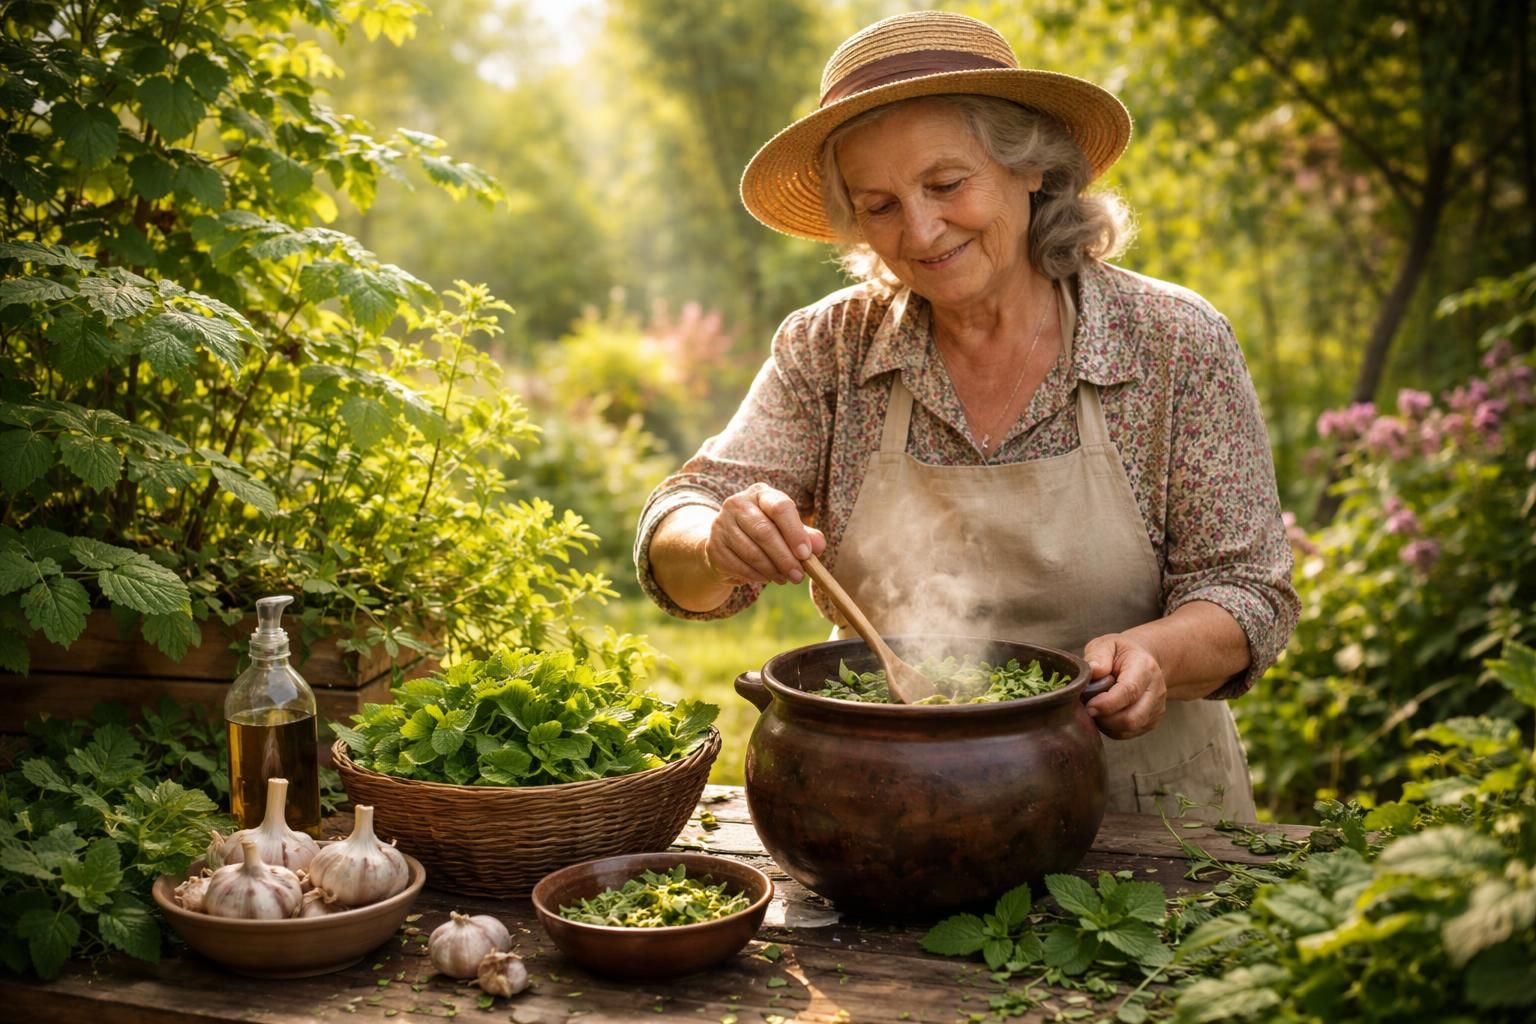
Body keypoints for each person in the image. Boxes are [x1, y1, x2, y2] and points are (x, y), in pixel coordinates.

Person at [633, 10, 1299, 820]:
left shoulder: (1171, 340)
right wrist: (716, 539)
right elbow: (678, 532)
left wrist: (1155, 656)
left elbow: (1248, 593)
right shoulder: (832, 348)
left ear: (1032, 167)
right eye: (880, 205)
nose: (920, 230)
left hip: (1143, 810)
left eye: (947, 185)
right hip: (890, 804)